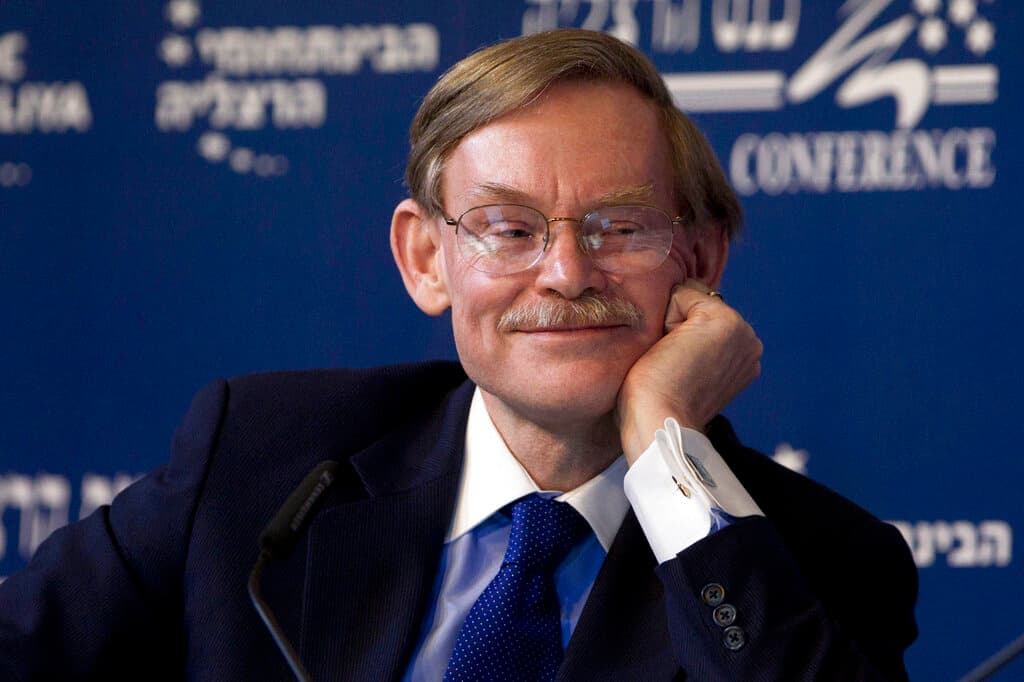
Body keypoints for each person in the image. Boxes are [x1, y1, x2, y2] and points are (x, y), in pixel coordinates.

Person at [0, 29, 917, 681]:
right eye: (508, 228)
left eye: (621, 226)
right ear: (425, 259)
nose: (567, 272)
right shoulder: (259, 461)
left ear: (702, 259)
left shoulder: (818, 561)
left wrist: (668, 450)